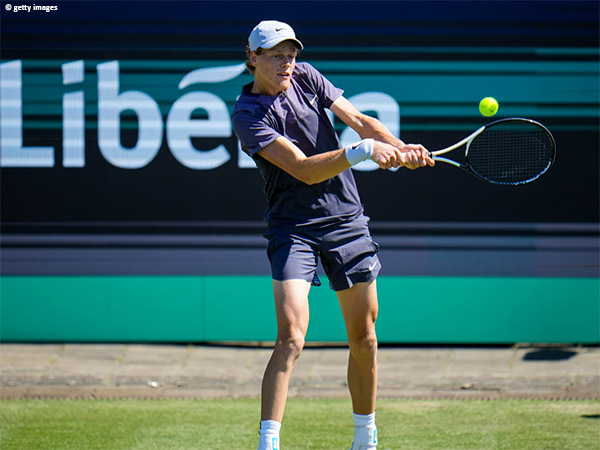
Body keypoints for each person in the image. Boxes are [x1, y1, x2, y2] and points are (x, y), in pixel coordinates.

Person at [232, 20, 434, 450]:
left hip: (346, 221)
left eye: (291, 53)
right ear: (252, 58)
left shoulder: (306, 76)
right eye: (275, 55)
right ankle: (268, 444)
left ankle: (365, 438)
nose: (287, 62)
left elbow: (359, 120)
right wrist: (362, 152)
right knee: (291, 336)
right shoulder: (247, 115)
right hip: (294, 229)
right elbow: (304, 170)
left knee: (364, 338)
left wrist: (401, 149)